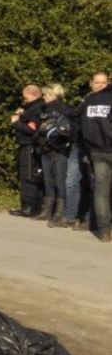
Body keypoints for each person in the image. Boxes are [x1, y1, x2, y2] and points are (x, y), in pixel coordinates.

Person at [61, 71, 108, 229]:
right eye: (97, 82)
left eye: (103, 82)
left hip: (99, 149)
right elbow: (74, 116)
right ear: (90, 83)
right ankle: (76, 216)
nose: (100, 85)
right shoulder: (87, 100)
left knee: (96, 185)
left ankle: (93, 220)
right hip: (83, 146)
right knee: (77, 182)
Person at [78, 73, 112, 242]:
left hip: (96, 150)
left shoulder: (90, 99)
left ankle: (105, 231)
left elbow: (79, 122)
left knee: (101, 191)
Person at [33, 84, 72, 222]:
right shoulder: (44, 109)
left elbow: (67, 130)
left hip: (58, 149)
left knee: (59, 180)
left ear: (54, 95)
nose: (44, 97)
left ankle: (59, 212)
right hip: (45, 148)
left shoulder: (65, 109)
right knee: (48, 180)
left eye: (47, 95)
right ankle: (47, 210)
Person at [9, 84, 45, 217]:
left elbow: (32, 130)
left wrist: (16, 123)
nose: (24, 100)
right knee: (33, 175)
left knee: (28, 175)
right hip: (29, 145)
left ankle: (29, 207)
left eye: (25, 98)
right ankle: (35, 205)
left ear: (32, 94)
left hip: (30, 145)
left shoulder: (37, 108)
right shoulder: (32, 107)